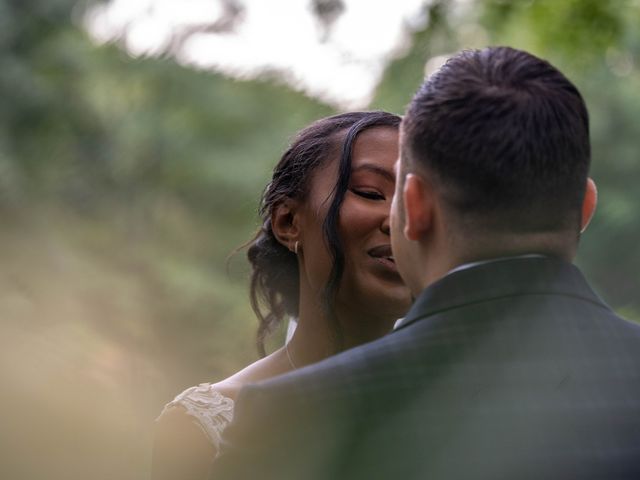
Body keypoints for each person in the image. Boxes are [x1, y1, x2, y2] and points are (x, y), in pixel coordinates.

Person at [210, 47, 640, 480]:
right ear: (585, 208)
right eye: (368, 192)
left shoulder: (293, 419)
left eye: (390, 196)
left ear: (412, 206)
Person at [150, 111, 412, 480]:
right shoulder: (204, 427)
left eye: (414, 200)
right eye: (371, 192)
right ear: (288, 222)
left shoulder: (466, 407)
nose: (399, 220)